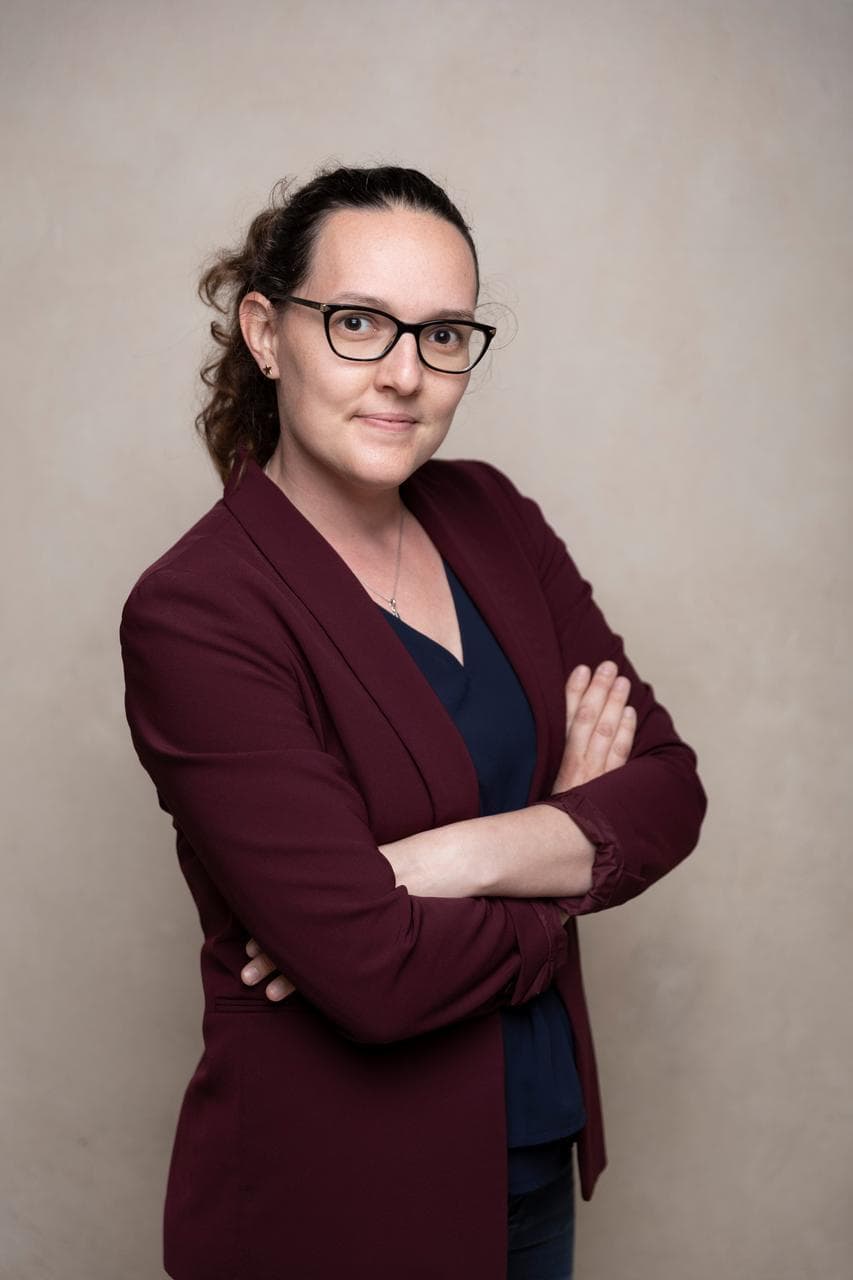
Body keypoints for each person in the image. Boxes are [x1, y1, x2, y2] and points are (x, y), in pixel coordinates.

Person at [119, 164, 707, 1280]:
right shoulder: (197, 608)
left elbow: (669, 789)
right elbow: (372, 974)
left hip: (533, 1157)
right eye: (357, 323)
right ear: (265, 330)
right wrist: (571, 835)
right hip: (336, 1197)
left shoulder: (490, 516)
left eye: (443, 336)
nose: (404, 374)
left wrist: (440, 859)